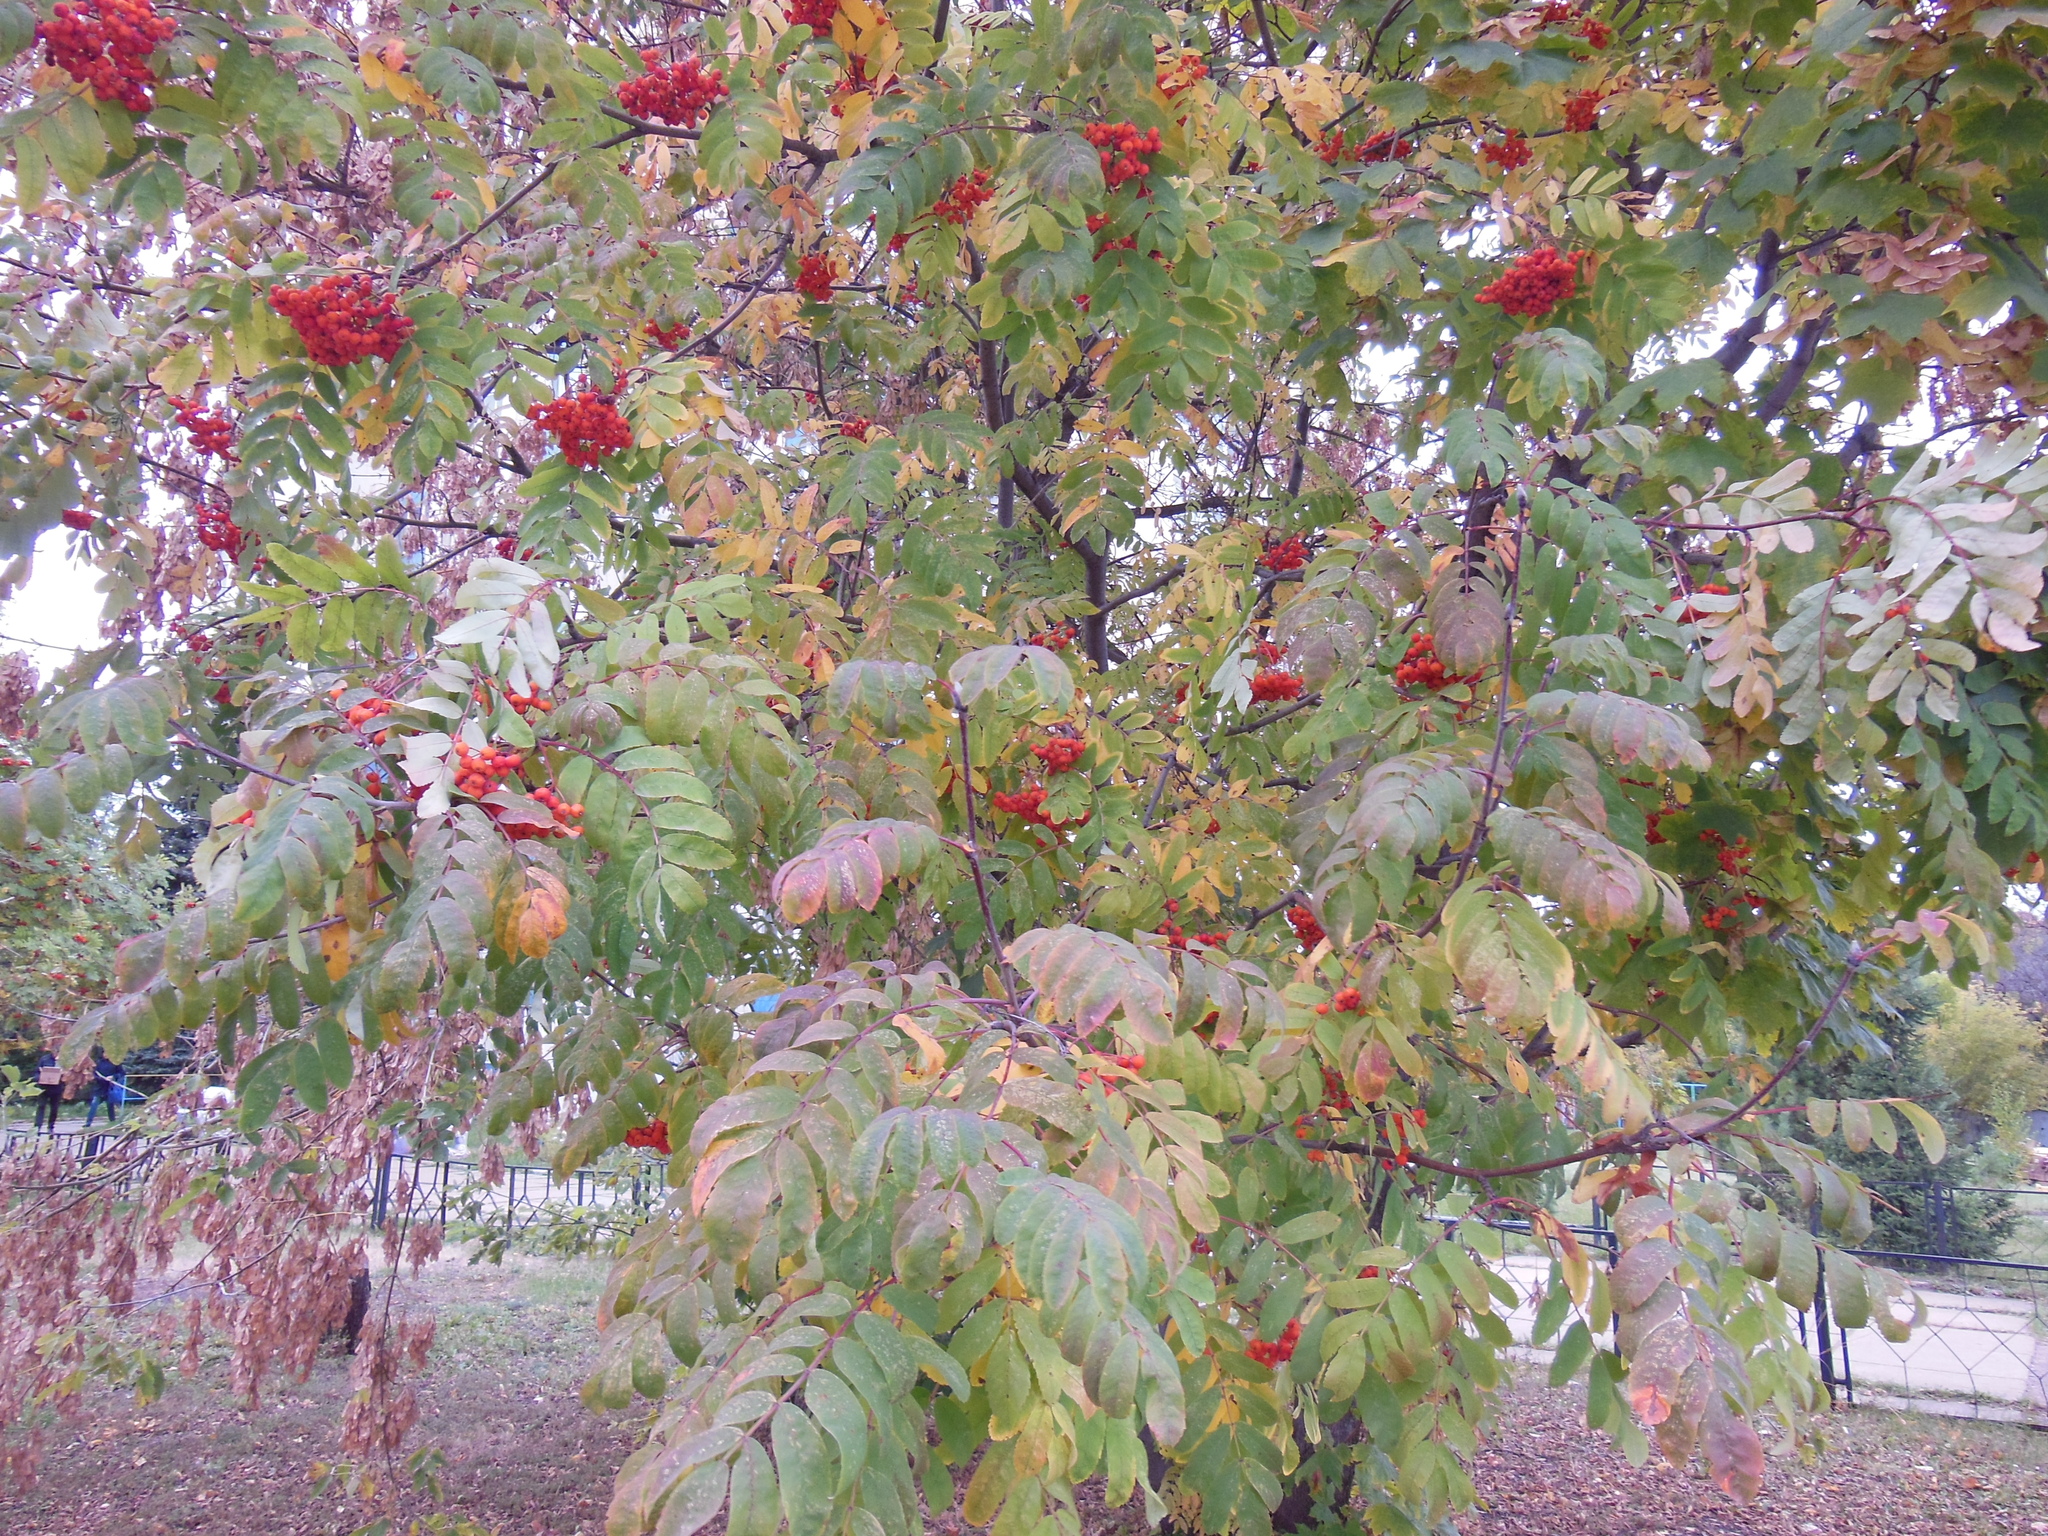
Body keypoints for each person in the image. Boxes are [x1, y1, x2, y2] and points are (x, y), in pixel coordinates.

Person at [82, 1046, 123, 1128]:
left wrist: (113, 1077)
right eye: (105, 1053)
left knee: (110, 1106)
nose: (106, 1054)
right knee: (94, 1105)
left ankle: (112, 1122)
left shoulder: (115, 1063)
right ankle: (88, 1123)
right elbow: (94, 1075)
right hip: (99, 1087)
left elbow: (121, 1073)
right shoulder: (99, 1063)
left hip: (110, 1088)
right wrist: (102, 1079)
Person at [32, 1049, 65, 1132]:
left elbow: (68, 1073)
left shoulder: (64, 1060)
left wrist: (62, 1075)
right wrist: (39, 1078)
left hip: (57, 1087)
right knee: (41, 1106)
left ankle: (50, 1126)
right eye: (55, 1052)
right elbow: (36, 1072)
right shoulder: (45, 1059)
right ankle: (37, 1126)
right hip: (44, 1086)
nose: (56, 1054)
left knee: (54, 1107)